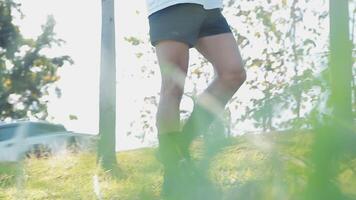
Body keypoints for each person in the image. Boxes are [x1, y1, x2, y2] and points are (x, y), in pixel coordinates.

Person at [146, 0, 246, 199]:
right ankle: (173, 175)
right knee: (173, 85)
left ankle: (179, 147)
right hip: (171, 6)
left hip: (210, 8)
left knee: (233, 74)